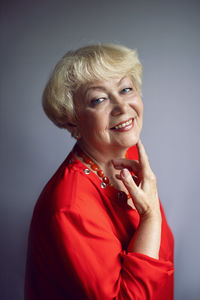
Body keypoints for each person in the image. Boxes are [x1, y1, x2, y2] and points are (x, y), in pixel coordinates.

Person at [25, 44, 174, 300]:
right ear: (73, 121)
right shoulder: (70, 208)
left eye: (126, 89)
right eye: (99, 99)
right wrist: (149, 216)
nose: (121, 107)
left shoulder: (128, 157)